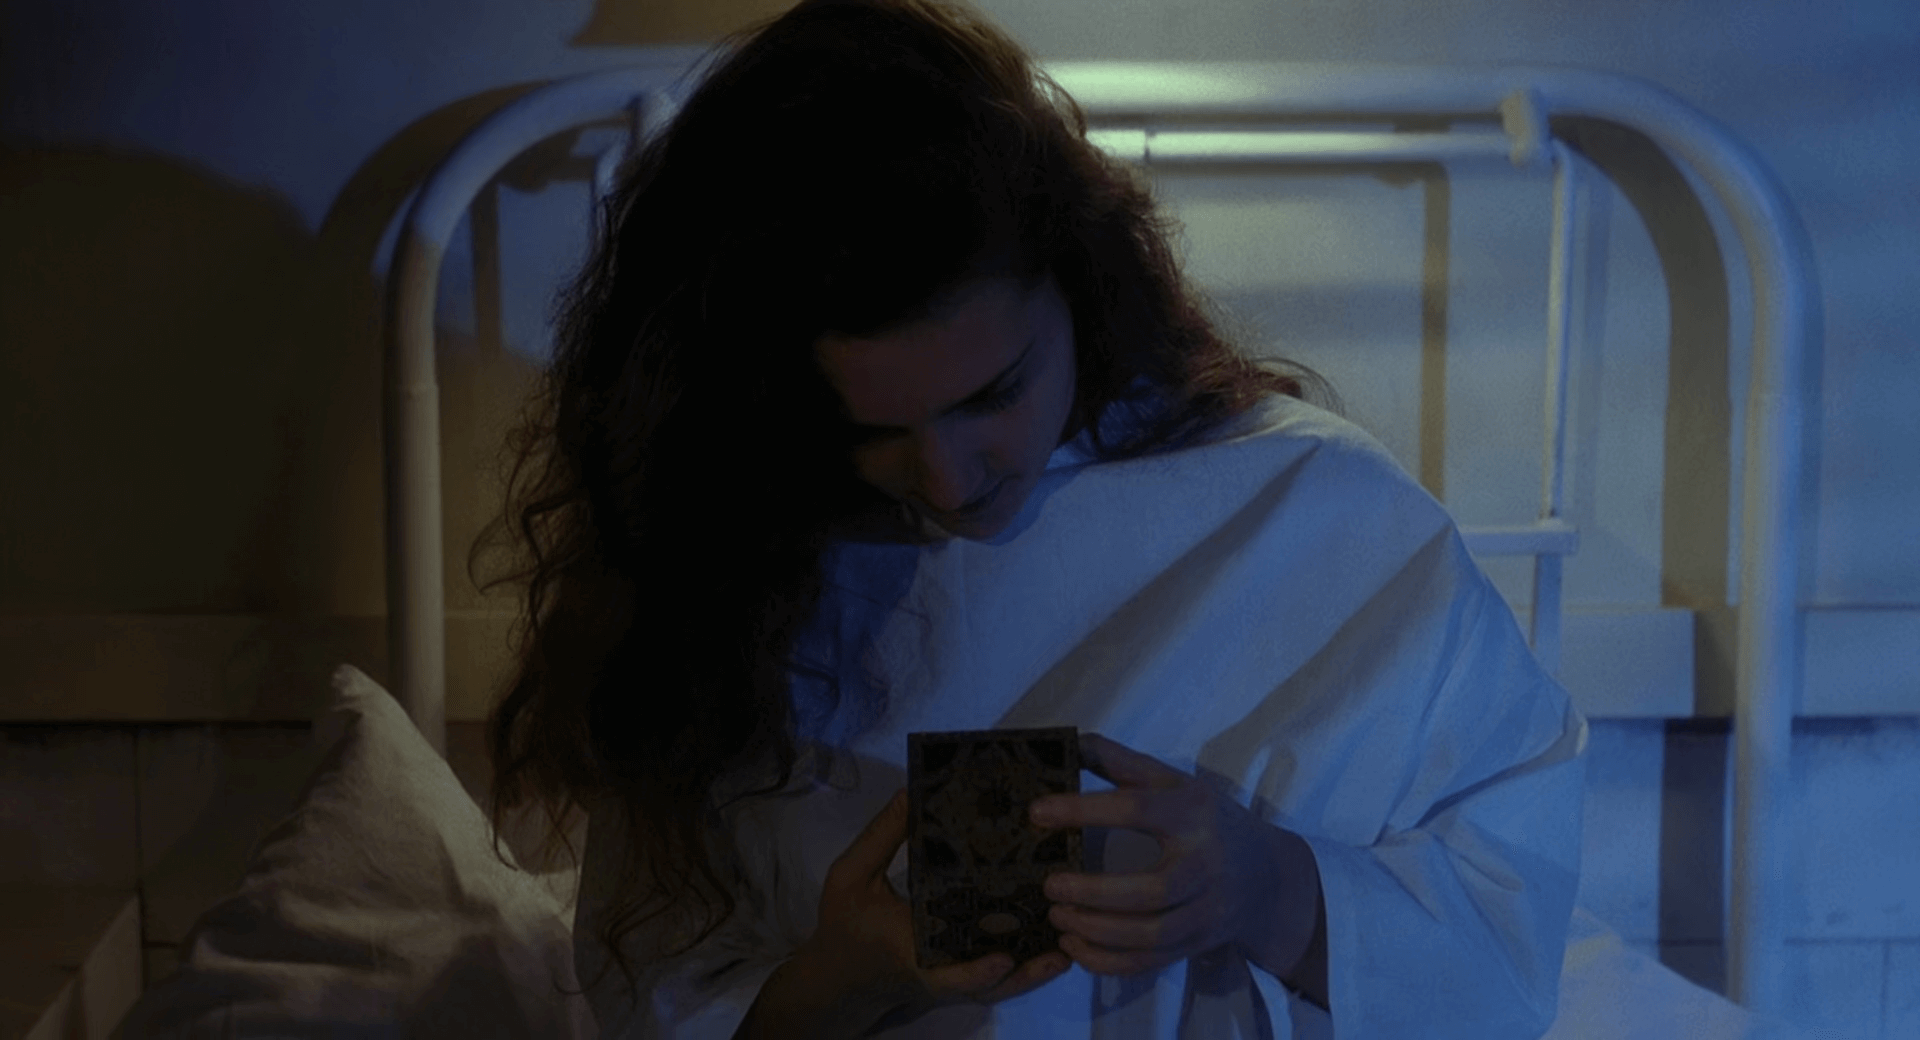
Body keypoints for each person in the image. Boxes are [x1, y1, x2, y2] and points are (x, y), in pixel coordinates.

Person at [469, 0, 1589, 1037]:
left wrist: (1268, 888)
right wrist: (840, 981)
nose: (949, 477)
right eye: (873, 430)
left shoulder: (1323, 518)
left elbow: (1507, 928)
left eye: (993, 394)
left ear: (1080, 288)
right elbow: (646, 987)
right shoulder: (724, 571)